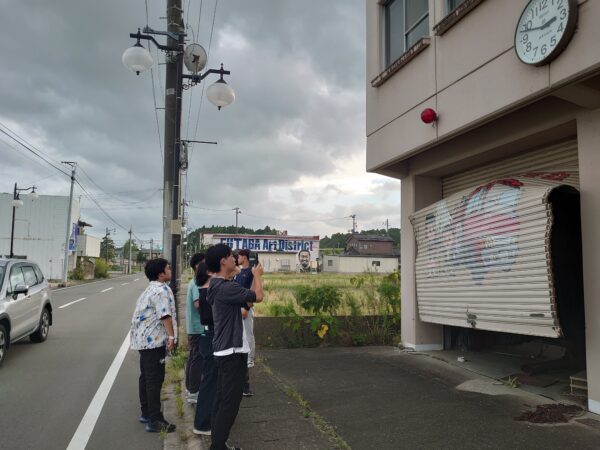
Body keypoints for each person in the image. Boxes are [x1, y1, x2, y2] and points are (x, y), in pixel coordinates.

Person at [205, 244, 263, 450]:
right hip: (231, 352)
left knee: (222, 400)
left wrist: (238, 270)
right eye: (231, 256)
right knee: (229, 404)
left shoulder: (217, 285)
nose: (234, 259)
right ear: (222, 261)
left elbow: (237, 275)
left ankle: (218, 444)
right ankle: (217, 447)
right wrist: (257, 275)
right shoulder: (226, 287)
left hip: (224, 350)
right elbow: (258, 296)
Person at [130, 258, 178, 433]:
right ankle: (155, 420)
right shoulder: (161, 290)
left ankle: (147, 413)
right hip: (154, 340)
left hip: (143, 340)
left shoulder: (150, 289)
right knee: (154, 379)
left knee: (146, 378)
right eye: (168, 268)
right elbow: (165, 315)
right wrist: (172, 337)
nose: (171, 270)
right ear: (160, 273)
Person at [192, 262, 217, 435]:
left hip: (207, 338)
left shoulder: (204, 291)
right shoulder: (207, 293)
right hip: (210, 338)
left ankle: (205, 421)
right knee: (209, 382)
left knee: (210, 381)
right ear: (209, 272)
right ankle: (202, 424)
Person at [234, 249, 255, 397]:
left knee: (247, 338)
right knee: (239, 339)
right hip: (237, 309)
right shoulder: (238, 272)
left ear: (245, 257)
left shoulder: (251, 272)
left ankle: (246, 382)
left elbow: (252, 292)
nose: (237, 258)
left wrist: (247, 307)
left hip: (245, 310)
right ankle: (242, 382)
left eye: (239, 256)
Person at [185, 252, 205, 404]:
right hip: (198, 327)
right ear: (198, 266)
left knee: (193, 358)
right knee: (197, 359)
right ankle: (194, 392)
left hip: (193, 326)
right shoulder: (198, 283)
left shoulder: (194, 281)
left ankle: (189, 388)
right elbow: (198, 304)